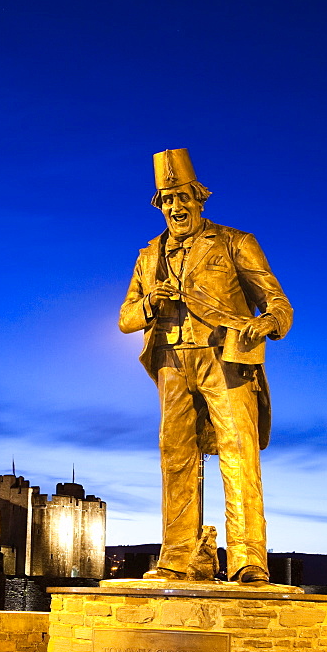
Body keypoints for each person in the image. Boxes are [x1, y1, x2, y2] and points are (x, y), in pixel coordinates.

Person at [119, 149, 293, 584]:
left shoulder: (236, 242)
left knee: (239, 455)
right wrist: (148, 303)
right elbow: (124, 318)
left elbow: (277, 303)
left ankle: (248, 560)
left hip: (225, 358)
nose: (176, 208)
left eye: (183, 198)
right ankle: (177, 559)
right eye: (167, 199)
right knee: (175, 458)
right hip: (172, 364)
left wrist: (268, 323)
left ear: (199, 199)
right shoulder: (148, 255)